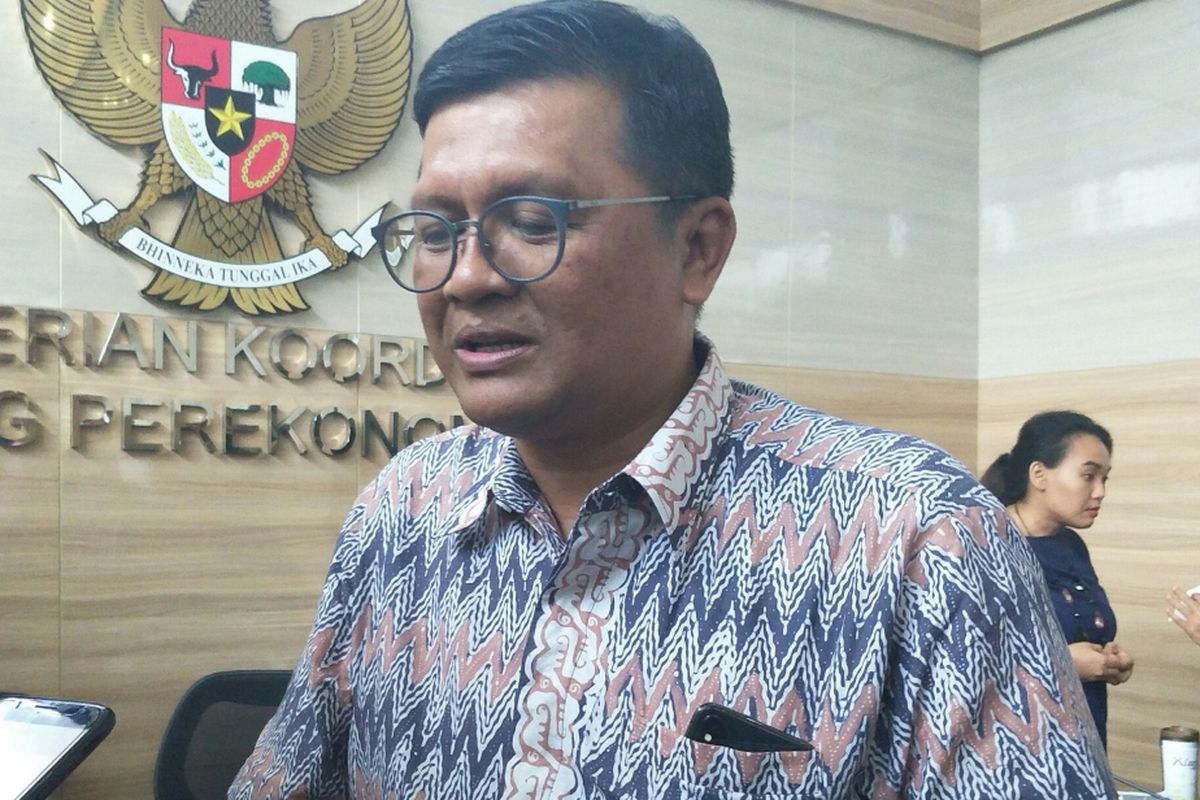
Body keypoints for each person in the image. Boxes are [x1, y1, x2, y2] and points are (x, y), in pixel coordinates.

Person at [230, 2, 1114, 797]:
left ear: (697, 248)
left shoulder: (918, 536)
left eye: (532, 222)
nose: (465, 278)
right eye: (433, 231)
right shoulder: (401, 508)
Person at [981, 411, 1133, 748]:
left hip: (1083, 740)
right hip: (1015, 750)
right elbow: (963, 662)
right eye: (1088, 476)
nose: (1100, 492)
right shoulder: (986, 544)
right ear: (1039, 474)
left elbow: (1080, 631)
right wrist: (1062, 664)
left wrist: (1107, 660)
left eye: (1105, 478)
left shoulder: (1070, 545)